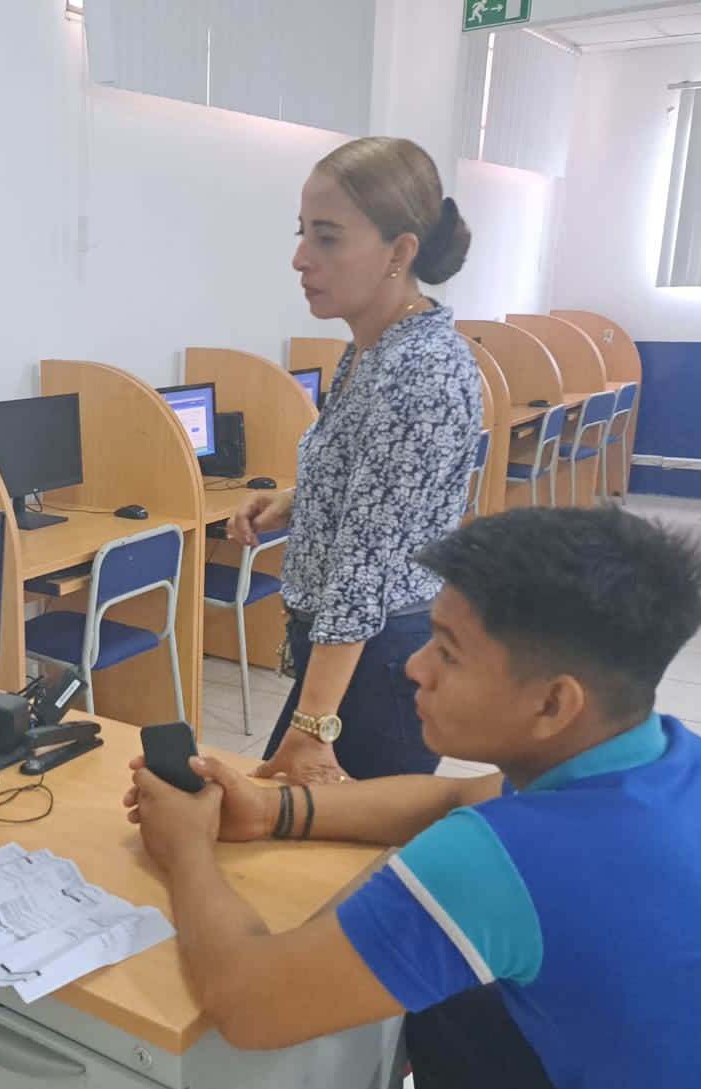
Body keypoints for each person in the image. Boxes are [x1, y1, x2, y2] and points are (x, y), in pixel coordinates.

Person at [125, 507, 701, 1089]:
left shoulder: (510, 857)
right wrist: (274, 812)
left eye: (448, 652)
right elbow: (453, 797)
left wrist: (186, 849)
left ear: (554, 704)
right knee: (455, 1012)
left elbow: (251, 1004)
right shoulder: (677, 759)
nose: (415, 667)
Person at [228, 136, 482, 786]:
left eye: (327, 238)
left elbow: (365, 568)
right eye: (302, 233)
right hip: (347, 650)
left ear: (399, 252)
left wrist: (313, 726)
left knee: (312, 842)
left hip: (378, 658)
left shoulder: (421, 370)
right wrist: (296, 499)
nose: (300, 258)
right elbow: (377, 489)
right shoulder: (373, 347)